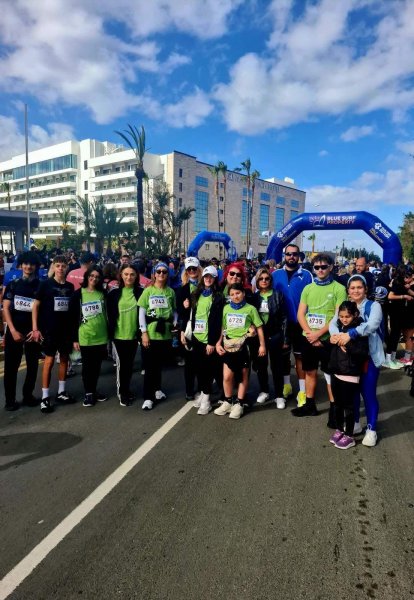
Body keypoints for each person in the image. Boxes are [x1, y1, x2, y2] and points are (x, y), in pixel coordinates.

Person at [329, 275, 385, 447]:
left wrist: (350, 334)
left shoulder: (373, 306)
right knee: (351, 395)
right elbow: (333, 324)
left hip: (369, 357)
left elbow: (373, 324)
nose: (356, 291)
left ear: (366, 289)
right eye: (352, 288)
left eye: (359, 287)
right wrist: (336, 337)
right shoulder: (345, 306)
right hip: (350, 360)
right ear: (348, 290)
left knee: (368, 394)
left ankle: (371, 429)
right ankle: (355, 423)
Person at [293, 253, 347, 419]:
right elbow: (300, 314)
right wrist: (311, 335)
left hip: (328, 339)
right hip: (309, 338)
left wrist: (318, 334)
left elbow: (337, 317)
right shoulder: (308, 288)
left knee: (330, 375)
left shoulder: (339, 288)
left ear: (331, 267)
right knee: (309, 371)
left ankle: (334, 410)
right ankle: (310, 405)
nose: (320, 270)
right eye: (317, 267)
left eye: (324, 267)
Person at [214, 282, 266, 419]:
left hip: (244, 346)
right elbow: (222, 327)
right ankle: (228, 401)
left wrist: (262, 345)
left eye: (237, 293)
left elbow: (259, 327)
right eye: (232, 294)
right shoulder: (226, 308)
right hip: (228, 346)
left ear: (243, 293)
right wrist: (218, 343)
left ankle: (240, 403)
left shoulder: (250, 309)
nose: (235, 296)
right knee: (227, 376)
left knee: (242, 376)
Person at [32, 255, 75, 414]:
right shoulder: (45, 284)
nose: (61, 268)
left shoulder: (70, 286)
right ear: (54, 267)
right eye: (58, 265)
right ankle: (45, 397)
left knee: (64, 359)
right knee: (49, 361)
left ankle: (61, 392)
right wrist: (35, 328)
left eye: (63, 266)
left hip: (65, 330)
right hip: (49, 330)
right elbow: (35, 306)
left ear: (66, 268)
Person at [272, 244, 313, 407]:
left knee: (299, 357)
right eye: (288, 254)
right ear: (284, 256)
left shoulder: (307, 275)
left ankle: (302, 392)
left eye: (294, 254)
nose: (291, 257)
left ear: (299, 256)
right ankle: (286, 385)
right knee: (283, 357)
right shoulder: (275, 274)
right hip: (280, 324)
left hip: (299, 324)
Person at [182, 265, 225, 415]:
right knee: (199, 369)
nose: (208, 279)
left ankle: (206, 400)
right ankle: (203, 393)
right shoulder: (196, 294)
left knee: (207, 370)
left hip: (209, 340)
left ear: (215, 279)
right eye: (206, 276)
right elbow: (191, 314)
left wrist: (212, 342)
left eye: (211, 277)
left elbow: (217, 321)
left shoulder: (218, 297)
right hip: (197, 337)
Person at [2, 251, 41, 410]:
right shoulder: (13, 284)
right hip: (14, 329)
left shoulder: (40, 285)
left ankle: (28, 395)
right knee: (11, 367)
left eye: (32, 264)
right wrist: (12, 330)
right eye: (25, 264)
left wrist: (36, 330)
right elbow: (5, 308)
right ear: (21, 265)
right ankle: (10, 400)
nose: (28, 267)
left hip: (33, 331)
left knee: (32, 365)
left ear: (36, 266)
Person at [329, 301, 369, 449]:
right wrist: (331, 341)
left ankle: (349, 435)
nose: (344, 319)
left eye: (347, 316)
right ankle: (340, 429)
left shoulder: (359, 330)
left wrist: (347, 343)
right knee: (337, 404)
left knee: (349, 406)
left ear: (355, 315)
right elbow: (333, 350)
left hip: (350, 373)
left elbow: (363, 353)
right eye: (341, 316)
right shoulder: (338, 327)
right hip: (336, 371)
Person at [138, 261, 178, 410]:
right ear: (154, 274)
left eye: (164, 272)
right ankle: (148, 397)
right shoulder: (148, 291)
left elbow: (174, 310)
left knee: (158, 365)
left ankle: (157, 389)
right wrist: (144, 333)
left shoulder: (171, 292)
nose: (161, 274)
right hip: (151, 333)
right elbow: (141, 313)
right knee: (150, 367)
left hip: (165, 333)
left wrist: (175, 321)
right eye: (159, 271)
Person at [69, 265, 109, 407]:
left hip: (101, 336)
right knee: (87, 367)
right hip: (85, 336)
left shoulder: (103, 294)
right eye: (92, 276)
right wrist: (74, 339)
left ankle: (93, 390)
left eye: (97, 277)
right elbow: (72, 318)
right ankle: (89, 393)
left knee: (97, 367)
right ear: (87, 277)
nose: (94, 279)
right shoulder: (78, 294)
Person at [251, 266, 288, 409]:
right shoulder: (254, 297)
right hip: (259, 337)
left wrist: (285, 338)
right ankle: (264, 390)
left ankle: (279, 395)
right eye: (261, 278)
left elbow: (284, 318)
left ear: (270, 280)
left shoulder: (278, 295)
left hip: (275, 335)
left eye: (267, 278)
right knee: (261, 366)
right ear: (257, 281)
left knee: (277, 367)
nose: (264, 281)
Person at [106, 264, 142, 406]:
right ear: (121, 275)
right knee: (122, 366)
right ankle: (122, 393)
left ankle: (126, 389)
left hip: (133, 335)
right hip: (118, 335)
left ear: (136, 276)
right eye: (126, 274)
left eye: (132, 274)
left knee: (129, 365)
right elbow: (109, 315)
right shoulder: (113, 294)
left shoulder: (140, 292)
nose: (129, 277)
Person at [177, 256, 203, 399]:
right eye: (189, 269)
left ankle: (202, 389)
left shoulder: (205, 287)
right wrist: (184, 307)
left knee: (201, 362)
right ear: (186, 272)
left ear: (199, 269)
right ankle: (189, 390)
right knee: (189, 363)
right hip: (188, 329)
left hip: (203, 329)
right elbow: (180, 313)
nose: (192, 271)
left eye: (194, 268)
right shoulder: (182, 290)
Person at [385, 266, 414, 368]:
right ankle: (389, 359)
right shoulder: (397, 283)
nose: (408, 278)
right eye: (407, 275)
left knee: (397, 336)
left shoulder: (401, 283)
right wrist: (404, 296)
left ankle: (393, 358)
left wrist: (408, 290)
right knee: (394, 336)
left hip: (401, 314)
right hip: (396, 313)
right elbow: (390, 296)